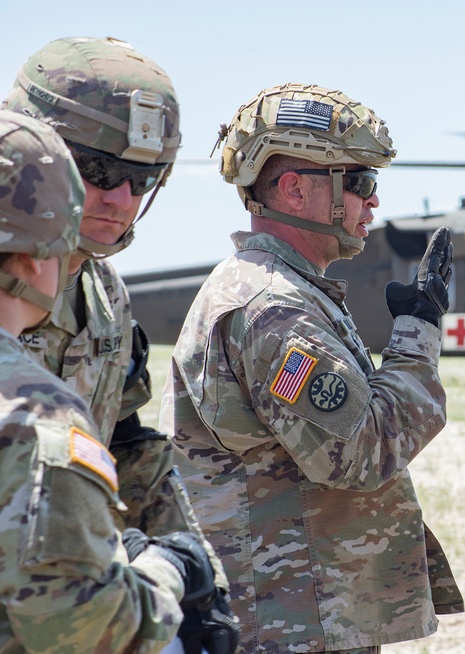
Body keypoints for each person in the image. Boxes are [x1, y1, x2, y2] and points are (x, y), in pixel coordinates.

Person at [163, 83, 464, 653]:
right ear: (295, 189)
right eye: (360, 183)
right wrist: (417, 333)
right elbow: (362, 450)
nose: (372, 202)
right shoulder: (272, 307)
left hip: (305, 611)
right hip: (290, 622)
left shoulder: (294, 293)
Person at [2, 36, 236, 653]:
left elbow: (128, 443)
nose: (121, 199)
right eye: (97, 171)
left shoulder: (104, 294)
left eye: (143, 178)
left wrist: (195, 575)